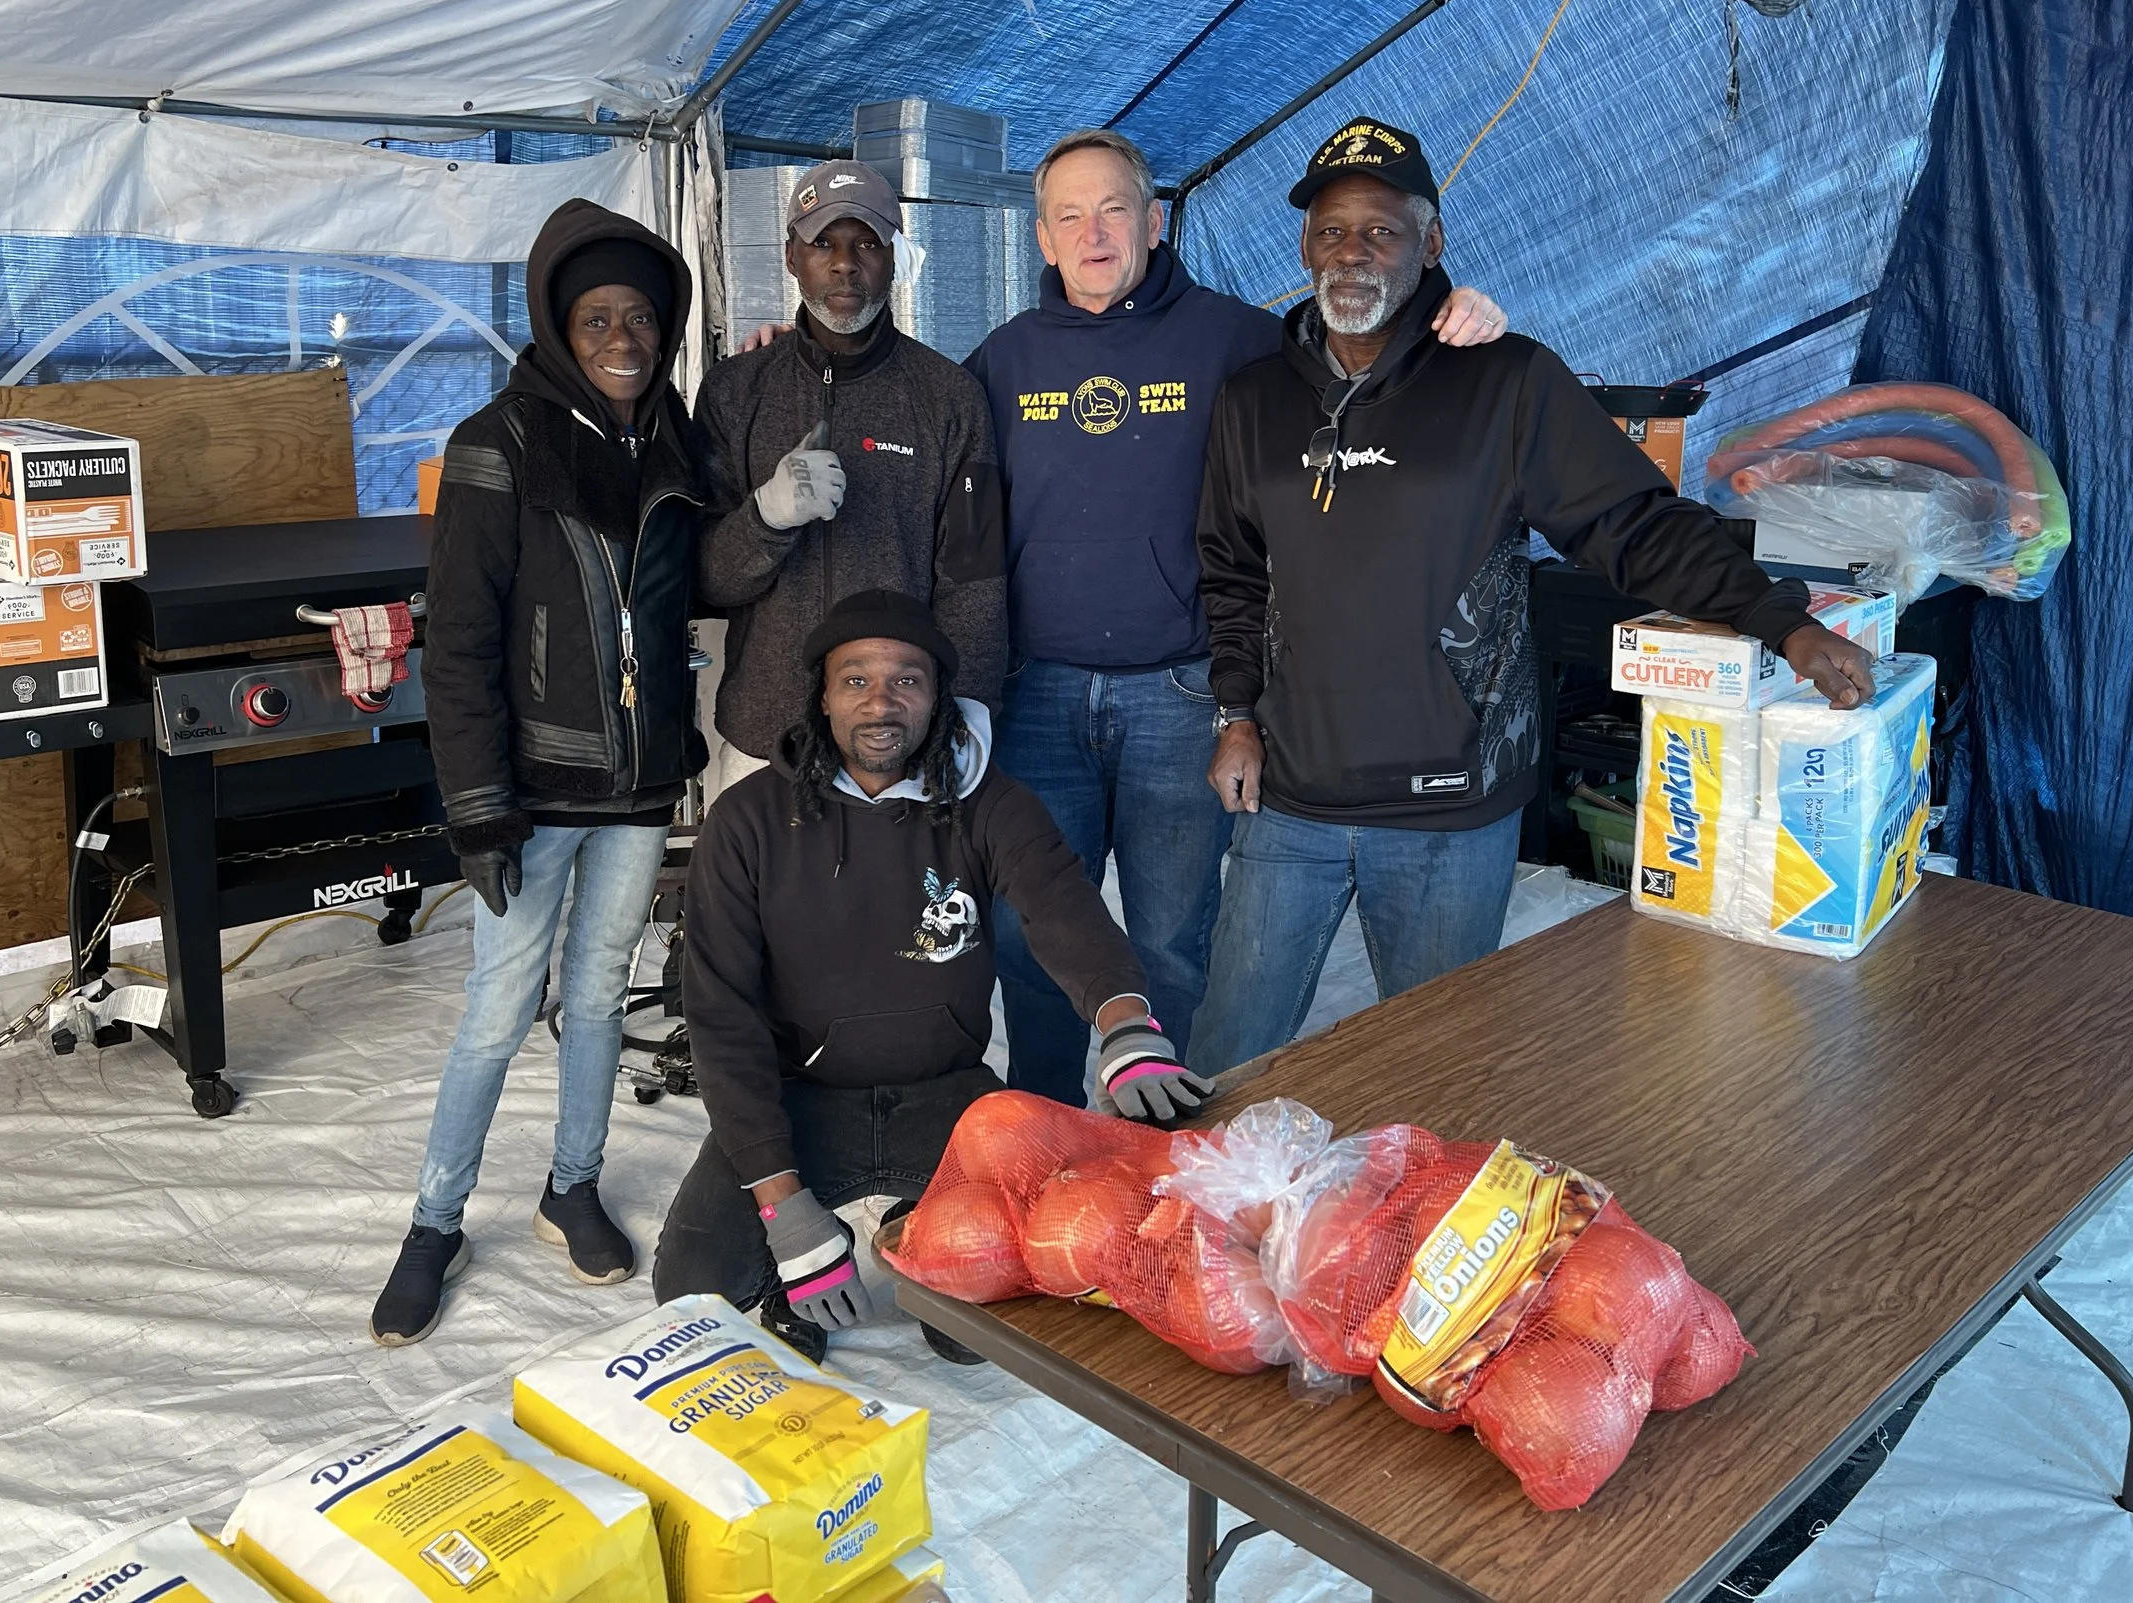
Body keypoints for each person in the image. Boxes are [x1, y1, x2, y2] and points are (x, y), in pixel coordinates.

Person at [1189, 116, 1876, 1074]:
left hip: (1451, 809)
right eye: (1333, 231)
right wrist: (1235, 714)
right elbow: (1231, 572)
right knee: (1225, 1062)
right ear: (1304, 246)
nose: (1354, 253)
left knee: (1441, 1079)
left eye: (1382, 231)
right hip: (1290, 800)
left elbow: (1629, 522)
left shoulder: (1507, 380)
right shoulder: (1253, 400)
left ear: (1431, 242)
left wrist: (1779, 621)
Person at [963, 126, 1511, 1104]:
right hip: (1037, 695)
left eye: (1114, 210)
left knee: (1174, 932)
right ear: (1041, 238)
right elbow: (918, 436)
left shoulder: (1237, 339)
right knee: (1030, 927)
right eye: (1069, 217)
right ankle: (1045, 1124)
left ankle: (1168, 1131)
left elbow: (1368, 347)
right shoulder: (1002, 359)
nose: (1094, 234)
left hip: (1182, 691)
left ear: (1155, 221)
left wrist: (1452, 312)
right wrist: (793, 356)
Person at [656, 588, 1210, 1364]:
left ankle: (917, 1225)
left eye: (907, 680)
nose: (881, 702)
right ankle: (814, 1248)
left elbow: (1061, 901)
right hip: (801, 1099)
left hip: (946, 1097)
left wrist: (1125, 1022)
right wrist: (785, 1210)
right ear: (822, 696)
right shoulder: (747, 820)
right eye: (856, 679)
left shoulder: (984, 801)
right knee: (692, 1288)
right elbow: (722, 1015)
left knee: (974, 1334)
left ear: (938, 697)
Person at [373, 197, 708, 1346]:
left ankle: (573, 1186)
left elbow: (692, 588)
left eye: (641, 317)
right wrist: (477, 810)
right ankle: (434, 1222)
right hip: (532, 793)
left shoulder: (671, 440)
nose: (622, 337)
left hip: (639, 787)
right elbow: (459, 641)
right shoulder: (499, 443)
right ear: (559, 327)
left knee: (602, 990)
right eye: (596, 317)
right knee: (498, 1010)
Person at [695, 161, 1004, 789]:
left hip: (899, 740)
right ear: (791, 256)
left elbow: (974, 580)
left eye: (866, 243)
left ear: (894, 258)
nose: (844, 264)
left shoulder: (950, 398)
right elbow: (708, 580)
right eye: (822, 244)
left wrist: (960, 719)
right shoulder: (735, 390)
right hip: (765, 736)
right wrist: (767, 518)